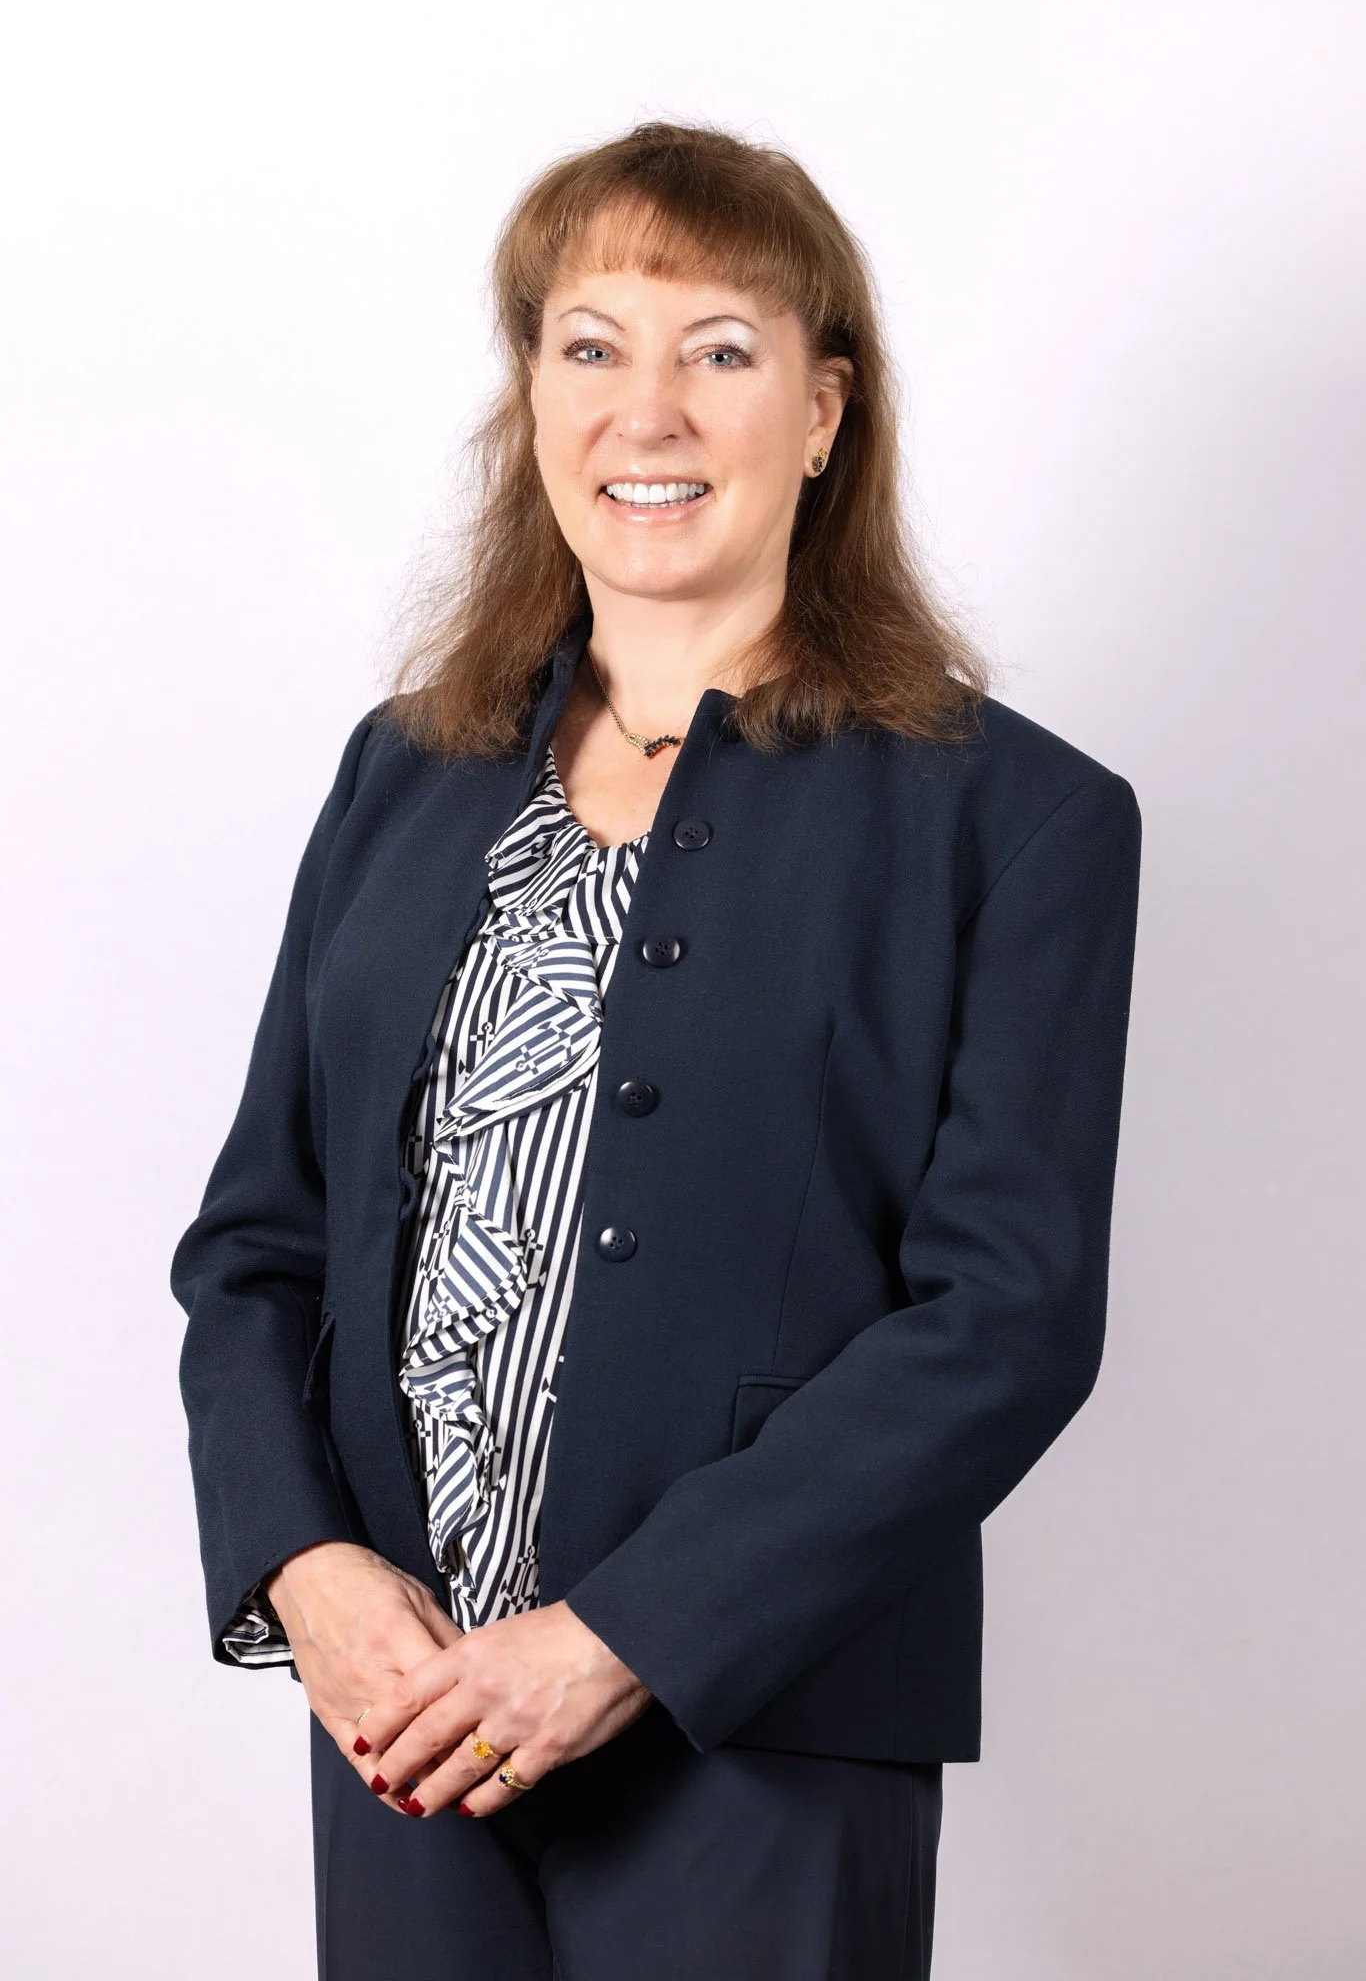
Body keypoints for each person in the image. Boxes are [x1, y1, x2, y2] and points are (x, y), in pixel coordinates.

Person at [172, 119, 1142, 1981]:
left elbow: (1005, 1316)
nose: (649, 413)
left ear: (824, 410)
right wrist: (309, 1578)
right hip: (405, 1719)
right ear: (529, 397)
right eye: (590, 345)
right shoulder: (404, 773)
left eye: (720, 349)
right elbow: (254, 1251)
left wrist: (624, 1630)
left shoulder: (1015, 821)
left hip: (762, 1731)